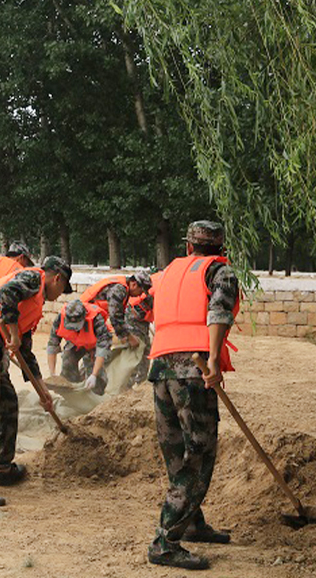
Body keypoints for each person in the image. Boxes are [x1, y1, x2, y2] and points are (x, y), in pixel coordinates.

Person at [145, 221, 240, 570]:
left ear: (188, 247)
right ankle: (165, 542)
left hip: (160, 370)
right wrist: (213, 360)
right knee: (198, 458)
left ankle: (193, 525)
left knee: (176, 455)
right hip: (192, 371)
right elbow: (218, 312)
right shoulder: (220, 271)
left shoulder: (168, 271)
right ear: (220, 249)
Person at [0, 256, 73, 506]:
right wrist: (15, 333)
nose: (60, 295)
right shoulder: (34, 278)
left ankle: (3, 468)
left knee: (8, 404)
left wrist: (43, 392)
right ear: (57, 278)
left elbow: (26, 353)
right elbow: (7, 292)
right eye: (63, 289)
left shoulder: (35, 303)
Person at [45, 298, 113, 392]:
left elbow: (102, 348)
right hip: (75, 343)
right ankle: (71, 394)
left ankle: (96, 396)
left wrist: (93, 375)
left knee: (95, 379)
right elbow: (52, 345)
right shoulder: (60, 318)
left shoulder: (96, 319)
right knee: (67, 361)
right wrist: (52, 375)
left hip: (94, 346)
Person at [80, 271, 154, 346]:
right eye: (141, 291)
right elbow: (115, 316)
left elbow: (118, 315)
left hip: (91, 314)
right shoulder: (119, 290)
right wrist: (128, 336)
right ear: (134, 284)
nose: (140, 295)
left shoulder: (125, 288)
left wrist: (123, 335)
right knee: (92, 345)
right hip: (86, 314)